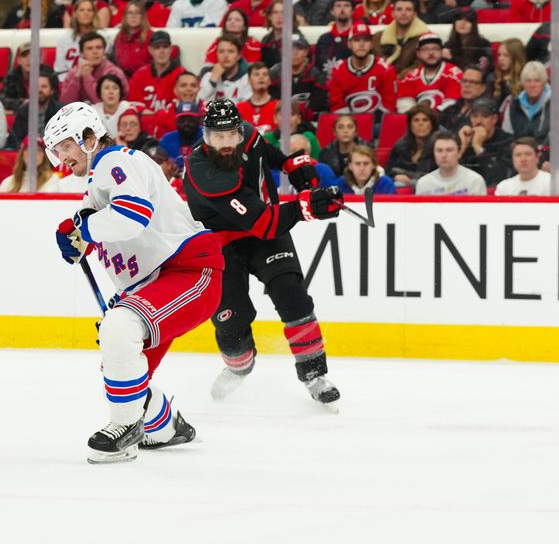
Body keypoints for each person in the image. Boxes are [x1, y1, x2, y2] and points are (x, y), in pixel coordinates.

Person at [44, 101, 224, 463]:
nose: (62, 158)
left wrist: (85, 228)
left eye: (66, 146)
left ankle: (126, 426)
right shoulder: (98, 183)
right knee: (121, 363)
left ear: (90, 137)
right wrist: (81, 233)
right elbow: (108, 226)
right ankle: (168, 427)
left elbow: (131, 216)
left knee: (118, 330)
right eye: (57, 150)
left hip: (189, 271)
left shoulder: (115, 160)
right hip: (159, 281)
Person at [182, 99, 343, 404]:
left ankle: (314, 374)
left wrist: (293, 166)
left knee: (292, 295)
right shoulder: (205, 174)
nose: (227, 142)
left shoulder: (250, 135)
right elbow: (265, 224)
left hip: (265, 231)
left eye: (231, 134)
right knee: (232, 322)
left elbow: (269, 155)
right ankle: (238, 367)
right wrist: (309, 206)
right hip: (221, 242)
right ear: (206, 136)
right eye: (218, 136)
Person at [328, 23, 397, 114]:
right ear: (349, 44)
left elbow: (389, 104)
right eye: (356, 40)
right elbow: (337, 106)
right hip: (349, 124)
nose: (361, 44)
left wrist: (369, 122)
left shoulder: (386, 68)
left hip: (377, 123)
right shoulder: (338, 70)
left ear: (372, 44)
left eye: (366, 40)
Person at [502, 61, 559, 143]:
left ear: (544, 83)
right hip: (518, 152)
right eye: (528, 81)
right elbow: (507, 137)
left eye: (537, 81)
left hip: (546, 153)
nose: (532, 85)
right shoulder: (513, 105)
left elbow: (556, 139)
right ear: (523, 83)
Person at [397, 32, 462, 113]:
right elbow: (404, 105)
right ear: (418, 53)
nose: (431, 53)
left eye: (435, 48)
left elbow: (452, 105)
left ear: (442, 51)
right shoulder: (410, 77)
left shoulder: (454, 74)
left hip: (445, 122)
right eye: (426, 49)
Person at [373, 0, 431, 79]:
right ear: (393, 13)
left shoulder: (425, 38)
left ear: (415, 14)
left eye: (408, 9)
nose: (403, 13)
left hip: (410, 84)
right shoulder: (378, 37)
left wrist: (397, 78)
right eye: (399, 9)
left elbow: (420, 65)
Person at [458, 97, 514, 186]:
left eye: (485, 116)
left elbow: (499, 177)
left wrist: (478, 148)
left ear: (494, 119)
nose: (479, 121)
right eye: (475, 116)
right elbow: (452, 174)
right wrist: (462, 147)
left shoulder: (507, 141)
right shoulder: (465, 137)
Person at [268, 33, 327, 117]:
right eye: (290, 48)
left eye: (299, 48)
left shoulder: (316, 76)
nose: (294, 53)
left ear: (306, 52)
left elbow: (317, 106)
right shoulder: (274, 74)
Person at [128, 31, 186, 115]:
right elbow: (133, 103)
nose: (161, 51)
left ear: (171, 49)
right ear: (150, 50)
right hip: (145, 123)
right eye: (157, 47)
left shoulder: (182, 75)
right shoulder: (140, 75)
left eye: (165, 47)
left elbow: (183, 104)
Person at [415, 129, 487, 195]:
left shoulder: (475, 181)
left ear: (459, 153)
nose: (444, 155)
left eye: (449, 150)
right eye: (439, 150)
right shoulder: (423, 184)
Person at [9, 70, 64, 150]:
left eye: (44, 86)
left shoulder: (60, 111)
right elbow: (15, 140)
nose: (39, 90)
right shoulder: (23, 111)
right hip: (27, 154)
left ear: (52, 91)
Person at [386, 103, 438, 188]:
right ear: (410, 125)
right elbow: (388, 169)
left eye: (425, 120)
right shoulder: (400, 145)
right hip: (403, 187)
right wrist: (395, 176)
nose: (420, 124)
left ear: (432, 125)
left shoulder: (440, 146)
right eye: (416, 120)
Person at [54, 0, 104, 81]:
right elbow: (60, 70)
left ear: (94, 14)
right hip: (71, 83)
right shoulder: (64, 39)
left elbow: (106, 67)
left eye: (89, 10)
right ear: (75, 14)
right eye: (82, 10)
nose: (86, 13)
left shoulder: (103, 37)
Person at [0, 43, 56, 114]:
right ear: (19, 60)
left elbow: (55, 99)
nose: (29, 59)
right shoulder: (12, 76)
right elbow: (2, 100)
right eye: (24, 56)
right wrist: (23, 103)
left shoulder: (50, 74)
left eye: (33, 56)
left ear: (41, 60)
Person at [199, 35, 252, 104]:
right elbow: (200, 103)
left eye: (230, 51)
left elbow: (247, 108)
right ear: (217, 55)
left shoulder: (248, 79)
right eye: (221, 51)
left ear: (239, 55)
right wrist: (212, 81)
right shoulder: (208, 76)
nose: (225, 55)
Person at [442, 7, 493, 76]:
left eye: (468, 20)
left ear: (474, 25)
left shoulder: (483, 44)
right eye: (459, 19)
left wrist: (452, 59)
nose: (462, 23)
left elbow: (481, 71)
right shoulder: (448, 45)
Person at [110, 0, 152, 79]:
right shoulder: (118, 37)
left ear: (142, 16)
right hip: (122, 80)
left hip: (144, 80)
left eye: (137, 13)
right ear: (125, 16)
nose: (133, 16)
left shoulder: (150, 36)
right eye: (130, 13)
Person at [315, 0, 356, 75]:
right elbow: (318, 67)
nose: (342, 9)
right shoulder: (324, 39)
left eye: (346, 5)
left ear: (353, 11)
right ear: (332, 12)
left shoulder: (359, 37)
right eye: (338, 6)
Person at [440, 66, 488, 131]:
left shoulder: (487, 112)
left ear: (483, 88)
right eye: (464, 81)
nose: (467, 85)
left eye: (472, 82)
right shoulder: (450, 109)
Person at [237, 62, 279, 134]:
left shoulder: (278, 106)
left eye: (264, 74)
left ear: (269, 81)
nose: (261, 77)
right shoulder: (239, 108)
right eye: (256, 74)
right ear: (249, 81)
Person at [159, 102, 204, 168]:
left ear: (199, 120)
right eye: (182, 120)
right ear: (176, 121)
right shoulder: (167, 140)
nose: (186, 123)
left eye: (191, 120)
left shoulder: (206, 137)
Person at [486, 38, 526, 105]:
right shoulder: (493, 78)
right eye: (499, 55)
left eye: (506, 55)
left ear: (516, 57)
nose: (501, 59)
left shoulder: (526, 79)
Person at [260, 0, 288, 69]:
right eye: (275, 12)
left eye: (283, 12)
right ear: (269, 16)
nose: (279, 16)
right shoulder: (266, 40)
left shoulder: (295, 38)